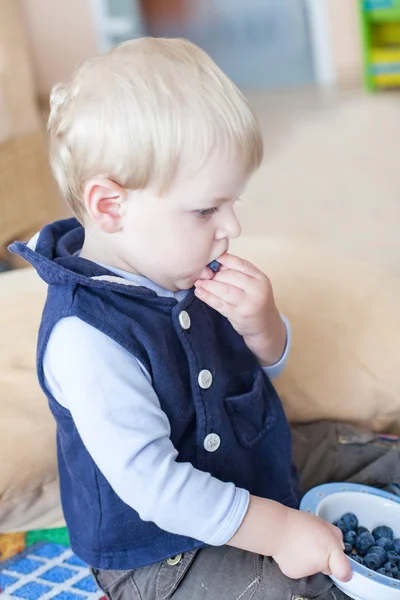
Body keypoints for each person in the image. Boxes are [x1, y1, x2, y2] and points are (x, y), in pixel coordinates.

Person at [10, 37, 352, 599]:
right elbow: (157, 488)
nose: (233, 227)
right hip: (162, 549)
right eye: (206, 209)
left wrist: (263, 326)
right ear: (110, 207)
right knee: (315, 588)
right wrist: (281, 529)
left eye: (233, 203)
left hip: (250, 468)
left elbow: (256, 376)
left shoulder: (185, 266)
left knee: (367, 456)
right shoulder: (87, 340)